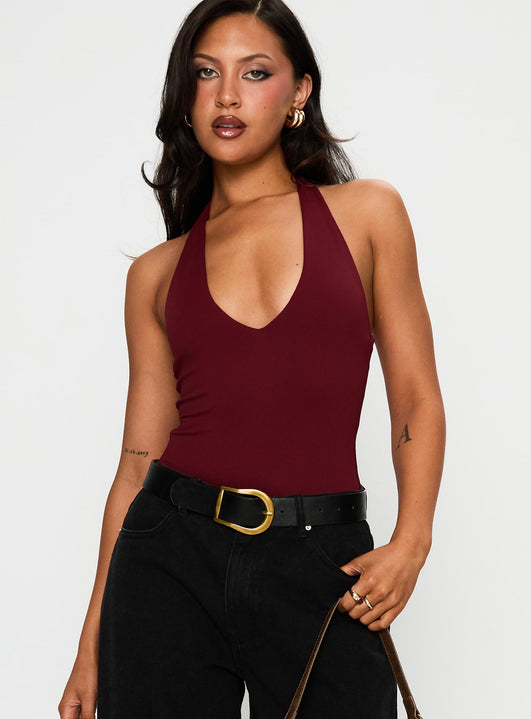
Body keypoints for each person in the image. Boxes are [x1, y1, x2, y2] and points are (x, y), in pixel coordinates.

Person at [58, 1, 445, 717]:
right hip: (169, 558)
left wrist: (410, 542)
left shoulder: (367, 215)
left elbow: (415, 397)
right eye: (206, 73)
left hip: (322, 557)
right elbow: (137, 465)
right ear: (186, 97)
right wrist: (90, 648)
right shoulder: (154, 275)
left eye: (256, 73)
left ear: (299, 91)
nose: (228, 96)